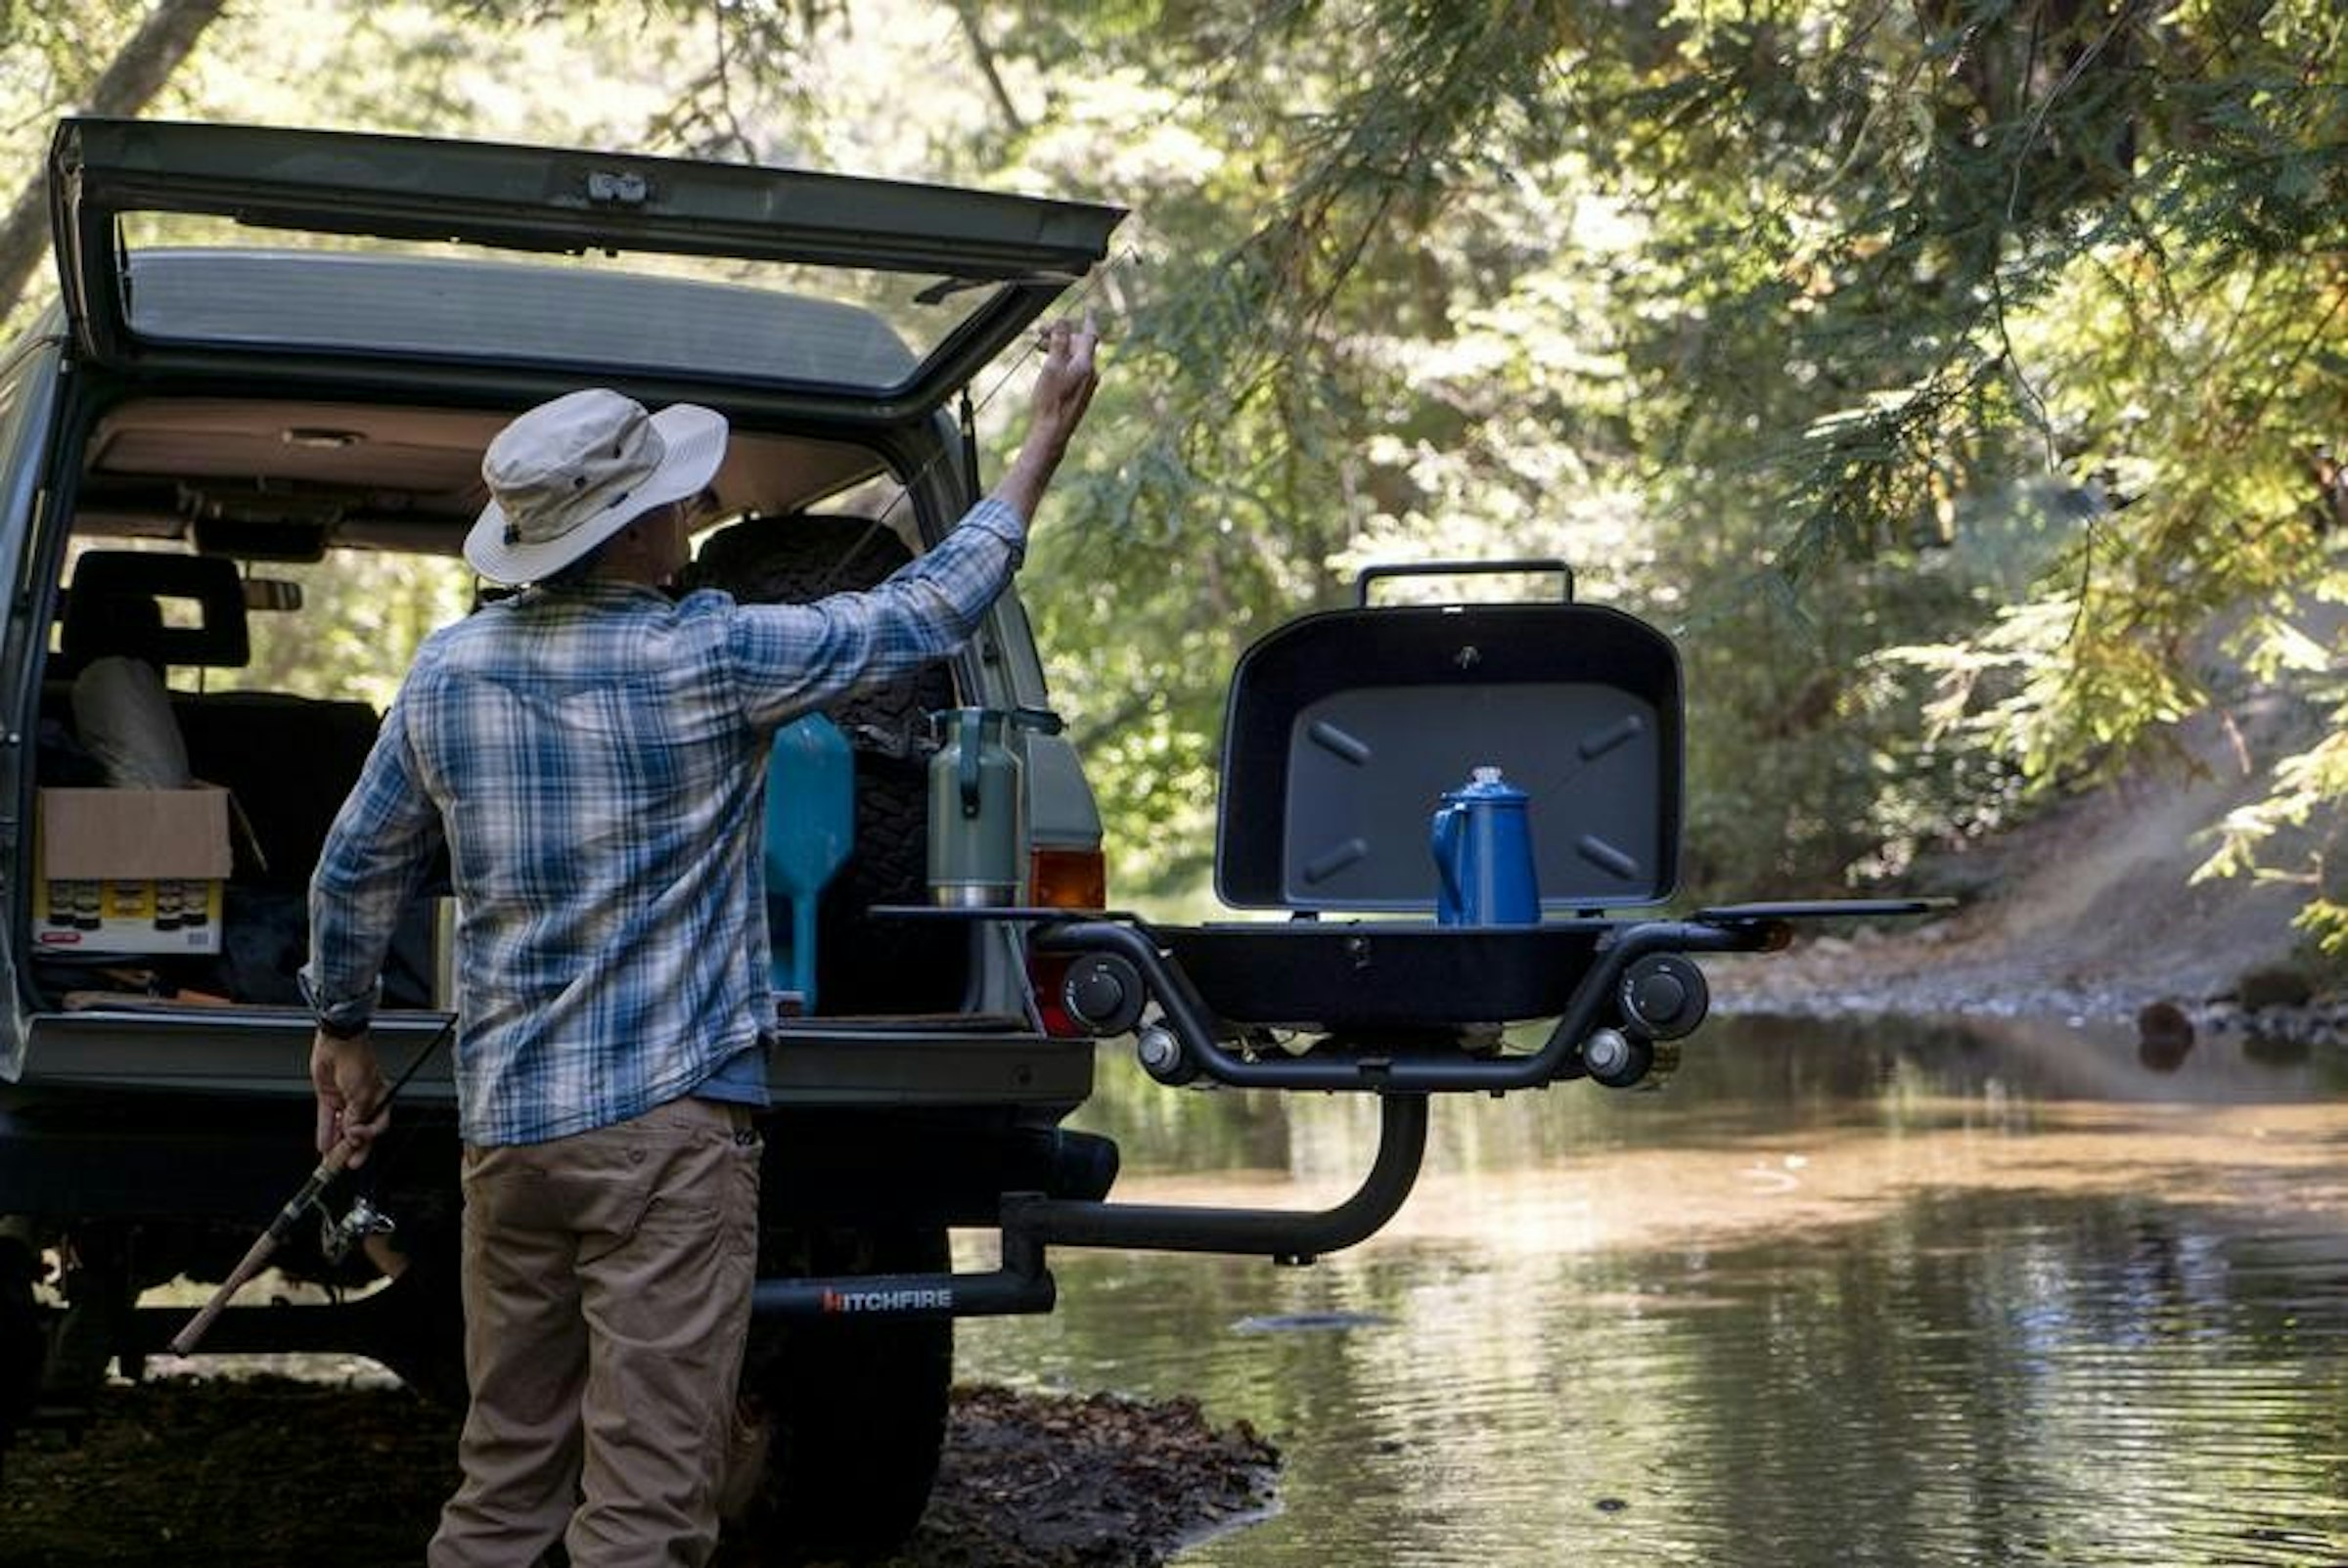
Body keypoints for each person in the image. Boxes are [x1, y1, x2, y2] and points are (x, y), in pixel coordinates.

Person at [300, 314, 1102, 1567]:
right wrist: (1042, 438)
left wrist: (341, 1032)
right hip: (670, 1141)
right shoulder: (707, 656)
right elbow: (924, 611)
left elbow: (354, 869)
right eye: (674, 501)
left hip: (508, 1137)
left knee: (505, 1477)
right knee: (648, 1502)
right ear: (631, 532)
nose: (693, 514)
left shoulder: (445, 674)